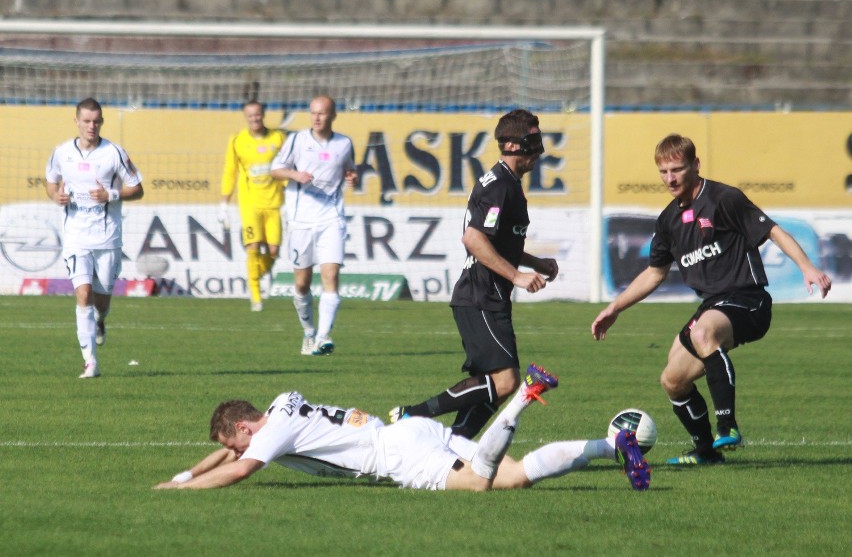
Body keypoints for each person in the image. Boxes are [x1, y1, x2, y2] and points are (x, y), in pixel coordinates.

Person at [591, 133, 832, 465]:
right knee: (672, 379)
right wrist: (614, 307)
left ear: (695, 165)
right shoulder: (668, 221)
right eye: (663, 172)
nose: (670, 178)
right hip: (713, 305)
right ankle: (706, 453)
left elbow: (773, 230)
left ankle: (727, 425)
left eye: (677, 169)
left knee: (702, 333)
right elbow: (655, 273)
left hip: (749, 300)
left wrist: (807, 267)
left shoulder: (723, 199)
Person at [154, 364, 651, 492]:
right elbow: (230, 457)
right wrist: (184, 476)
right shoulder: (283, 403)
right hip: (408, 431)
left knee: (479, 483)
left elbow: (239, 470)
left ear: (245, 427)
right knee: (514, 476)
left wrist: (183, 492)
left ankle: (523, 394)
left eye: (235, 441)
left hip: (396, 458)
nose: (237, 451)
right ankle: (611, 445)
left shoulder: (271, 436)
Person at [388, 108, 559, 439]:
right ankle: (415, 414)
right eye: (533, 141)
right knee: (506, 381)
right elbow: (474, 238)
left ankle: (455, 445)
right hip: (481, 295)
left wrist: (536, 264)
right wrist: (517, 276)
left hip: (486, 296)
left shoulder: (507, 184)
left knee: (493, 385)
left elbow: (498, 243)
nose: (538, 151)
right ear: (512, 145)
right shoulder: (499, 187)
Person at [44, 97, 144, 378]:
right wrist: (56, 196)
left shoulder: (114, 153)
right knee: (83, 293)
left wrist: (110, 195)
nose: (92, 126)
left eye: (96, 121)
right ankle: (90, 362)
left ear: (102, 122)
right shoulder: (62, 153)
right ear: (76, 121)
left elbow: (138, 189)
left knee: (101, 300)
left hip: (108, 238)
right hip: (76, 237)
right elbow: (50, 182)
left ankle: (101, 322)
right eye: (86, 121)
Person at [270, 95, 358, 356]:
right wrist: (295, 174)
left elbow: (349, 169)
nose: (317, 117)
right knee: (302, 284)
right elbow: (276, 169)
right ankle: (309, 333)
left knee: (331, 276)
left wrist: (352, 177)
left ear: (333, 115)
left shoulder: (344, 143)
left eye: (322, 113)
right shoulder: (297, 140)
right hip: (301, 220)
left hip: (331, 217)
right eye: (313, 113)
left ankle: (323, 336)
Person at [219, 100, 286, 312]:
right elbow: (230, 171)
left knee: (273, 251)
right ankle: (256, 297)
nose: (254, 119)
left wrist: (290, 194)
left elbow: (287, 167)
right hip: (250, 203)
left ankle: (256, 274)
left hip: (274, 203)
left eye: (257, 115)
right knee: (253, 248)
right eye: (250, 116)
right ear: (245, 117)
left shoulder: (278, 138)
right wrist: (224, 203)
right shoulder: (238, 140)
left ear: (263, 114)